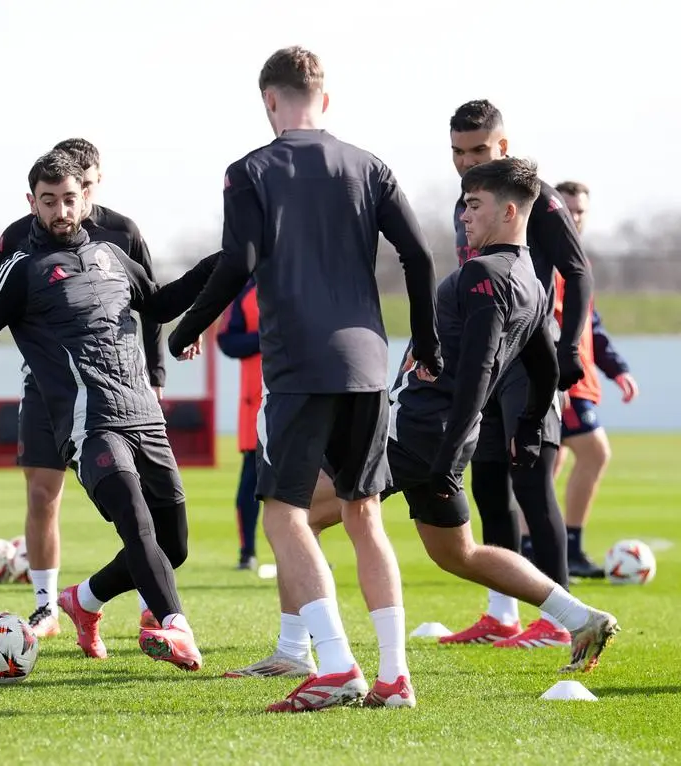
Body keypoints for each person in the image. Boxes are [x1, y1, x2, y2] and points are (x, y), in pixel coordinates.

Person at [241, 158, 621, 686]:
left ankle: (298, 652)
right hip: (446, 439)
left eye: (475, 204)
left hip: (414, 431)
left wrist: (452, 446)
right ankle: (581, 618)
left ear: (509, 211)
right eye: (464, 203)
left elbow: (480, 370)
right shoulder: (534, 284)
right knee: (458, 553)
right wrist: (530, 424)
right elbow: (543, 366)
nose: (463, 214)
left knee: (294, 517)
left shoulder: (482, 275)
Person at [167, 45, 442, 712]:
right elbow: (417, 254)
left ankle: (338, 665)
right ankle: (395, 674)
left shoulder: (250, 170)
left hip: (299, 365)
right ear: (326, 98)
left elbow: (239, 262)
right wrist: (426, 341)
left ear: (269, 100)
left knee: (283, 514)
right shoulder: (370, 165)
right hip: (369, 363)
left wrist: (188, 325)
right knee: (363, 513)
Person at [0, 150, 218, 671]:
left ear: (86, 197)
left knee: (174, 544)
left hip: (143, 415)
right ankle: (175, 625)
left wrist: (221, 262)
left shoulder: (113, 254)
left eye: (69, 199)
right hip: (89, 421)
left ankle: (82, 602)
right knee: (133, 516)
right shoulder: (21, 270)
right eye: (48, 200)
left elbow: (159, 306)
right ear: (32, 202)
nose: (61, 210)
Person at [0, 138, 167, 638]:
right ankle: (47, 606)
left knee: (142, 506)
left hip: (120, 392)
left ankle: (152, 604)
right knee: (43, 495)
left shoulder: (122, 233)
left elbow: (150, 306)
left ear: (95, 185)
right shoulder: (20, 236)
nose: (75, 200)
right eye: (66, 190)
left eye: (85, 187)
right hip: (49, 389)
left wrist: (155, 376)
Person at [440, 100, 593, 649]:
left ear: (503, 145)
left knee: (531, 483)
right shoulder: (468, 202)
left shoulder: (537, 200)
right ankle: (502, 613)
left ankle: (558, 620)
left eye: (479, 149)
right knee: (487, 485)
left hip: (530, 361)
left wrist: (570, 346)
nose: (467, 160)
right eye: (458, 151)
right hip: (489, 364)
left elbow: (577, 273)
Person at [544, 181, 638, 578]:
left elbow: (589, 325)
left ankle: (536, 549)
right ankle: (570, 550)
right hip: (564, 383)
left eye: (580, 210)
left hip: (580, 381)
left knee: (552, 462)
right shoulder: (548, 259)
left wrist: (616, 368)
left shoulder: (577, 258)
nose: (575, 216)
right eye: (567, 209)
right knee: (594, 454)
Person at [215, 276, 263, 570]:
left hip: (303, 397)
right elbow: (227, 340)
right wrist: (269, 336)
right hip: (256, 400)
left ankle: (309, 553)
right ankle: (248, 552)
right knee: (251, 480)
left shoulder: (304, 274)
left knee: (310, 481)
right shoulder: (245, 289)